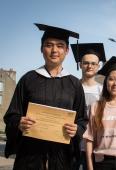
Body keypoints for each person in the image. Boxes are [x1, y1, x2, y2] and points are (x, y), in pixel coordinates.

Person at [4, 23, 87, 170]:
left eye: (60, 46)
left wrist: (77, 129)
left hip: (62, 158)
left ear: (67, 50)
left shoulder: (74, 84)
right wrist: (19, 122)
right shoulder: (28, 79)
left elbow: (82, 120)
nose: (54, 50)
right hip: (29, 157)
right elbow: (12, 115)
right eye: (49, 45)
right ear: (42, 49)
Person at [71, 43, 106, 170]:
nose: (89, 66)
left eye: (93, 63)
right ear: (80, 64)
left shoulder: (103, 91)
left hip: (94, 146)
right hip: (71, 144)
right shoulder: (71, 88)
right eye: (86, 63)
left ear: (98, 66)